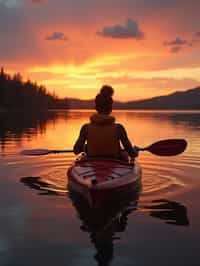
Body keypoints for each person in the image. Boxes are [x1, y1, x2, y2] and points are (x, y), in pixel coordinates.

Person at [73, 85, 138, 160]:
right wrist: (136, 150)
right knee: (125, 155)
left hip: (92, 163)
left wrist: (86, 147)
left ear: (96, 108)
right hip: (114, 163)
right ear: (110, 108)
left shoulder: (86, 128)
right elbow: (132, 153)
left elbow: (76, 150)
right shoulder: (119, 128)